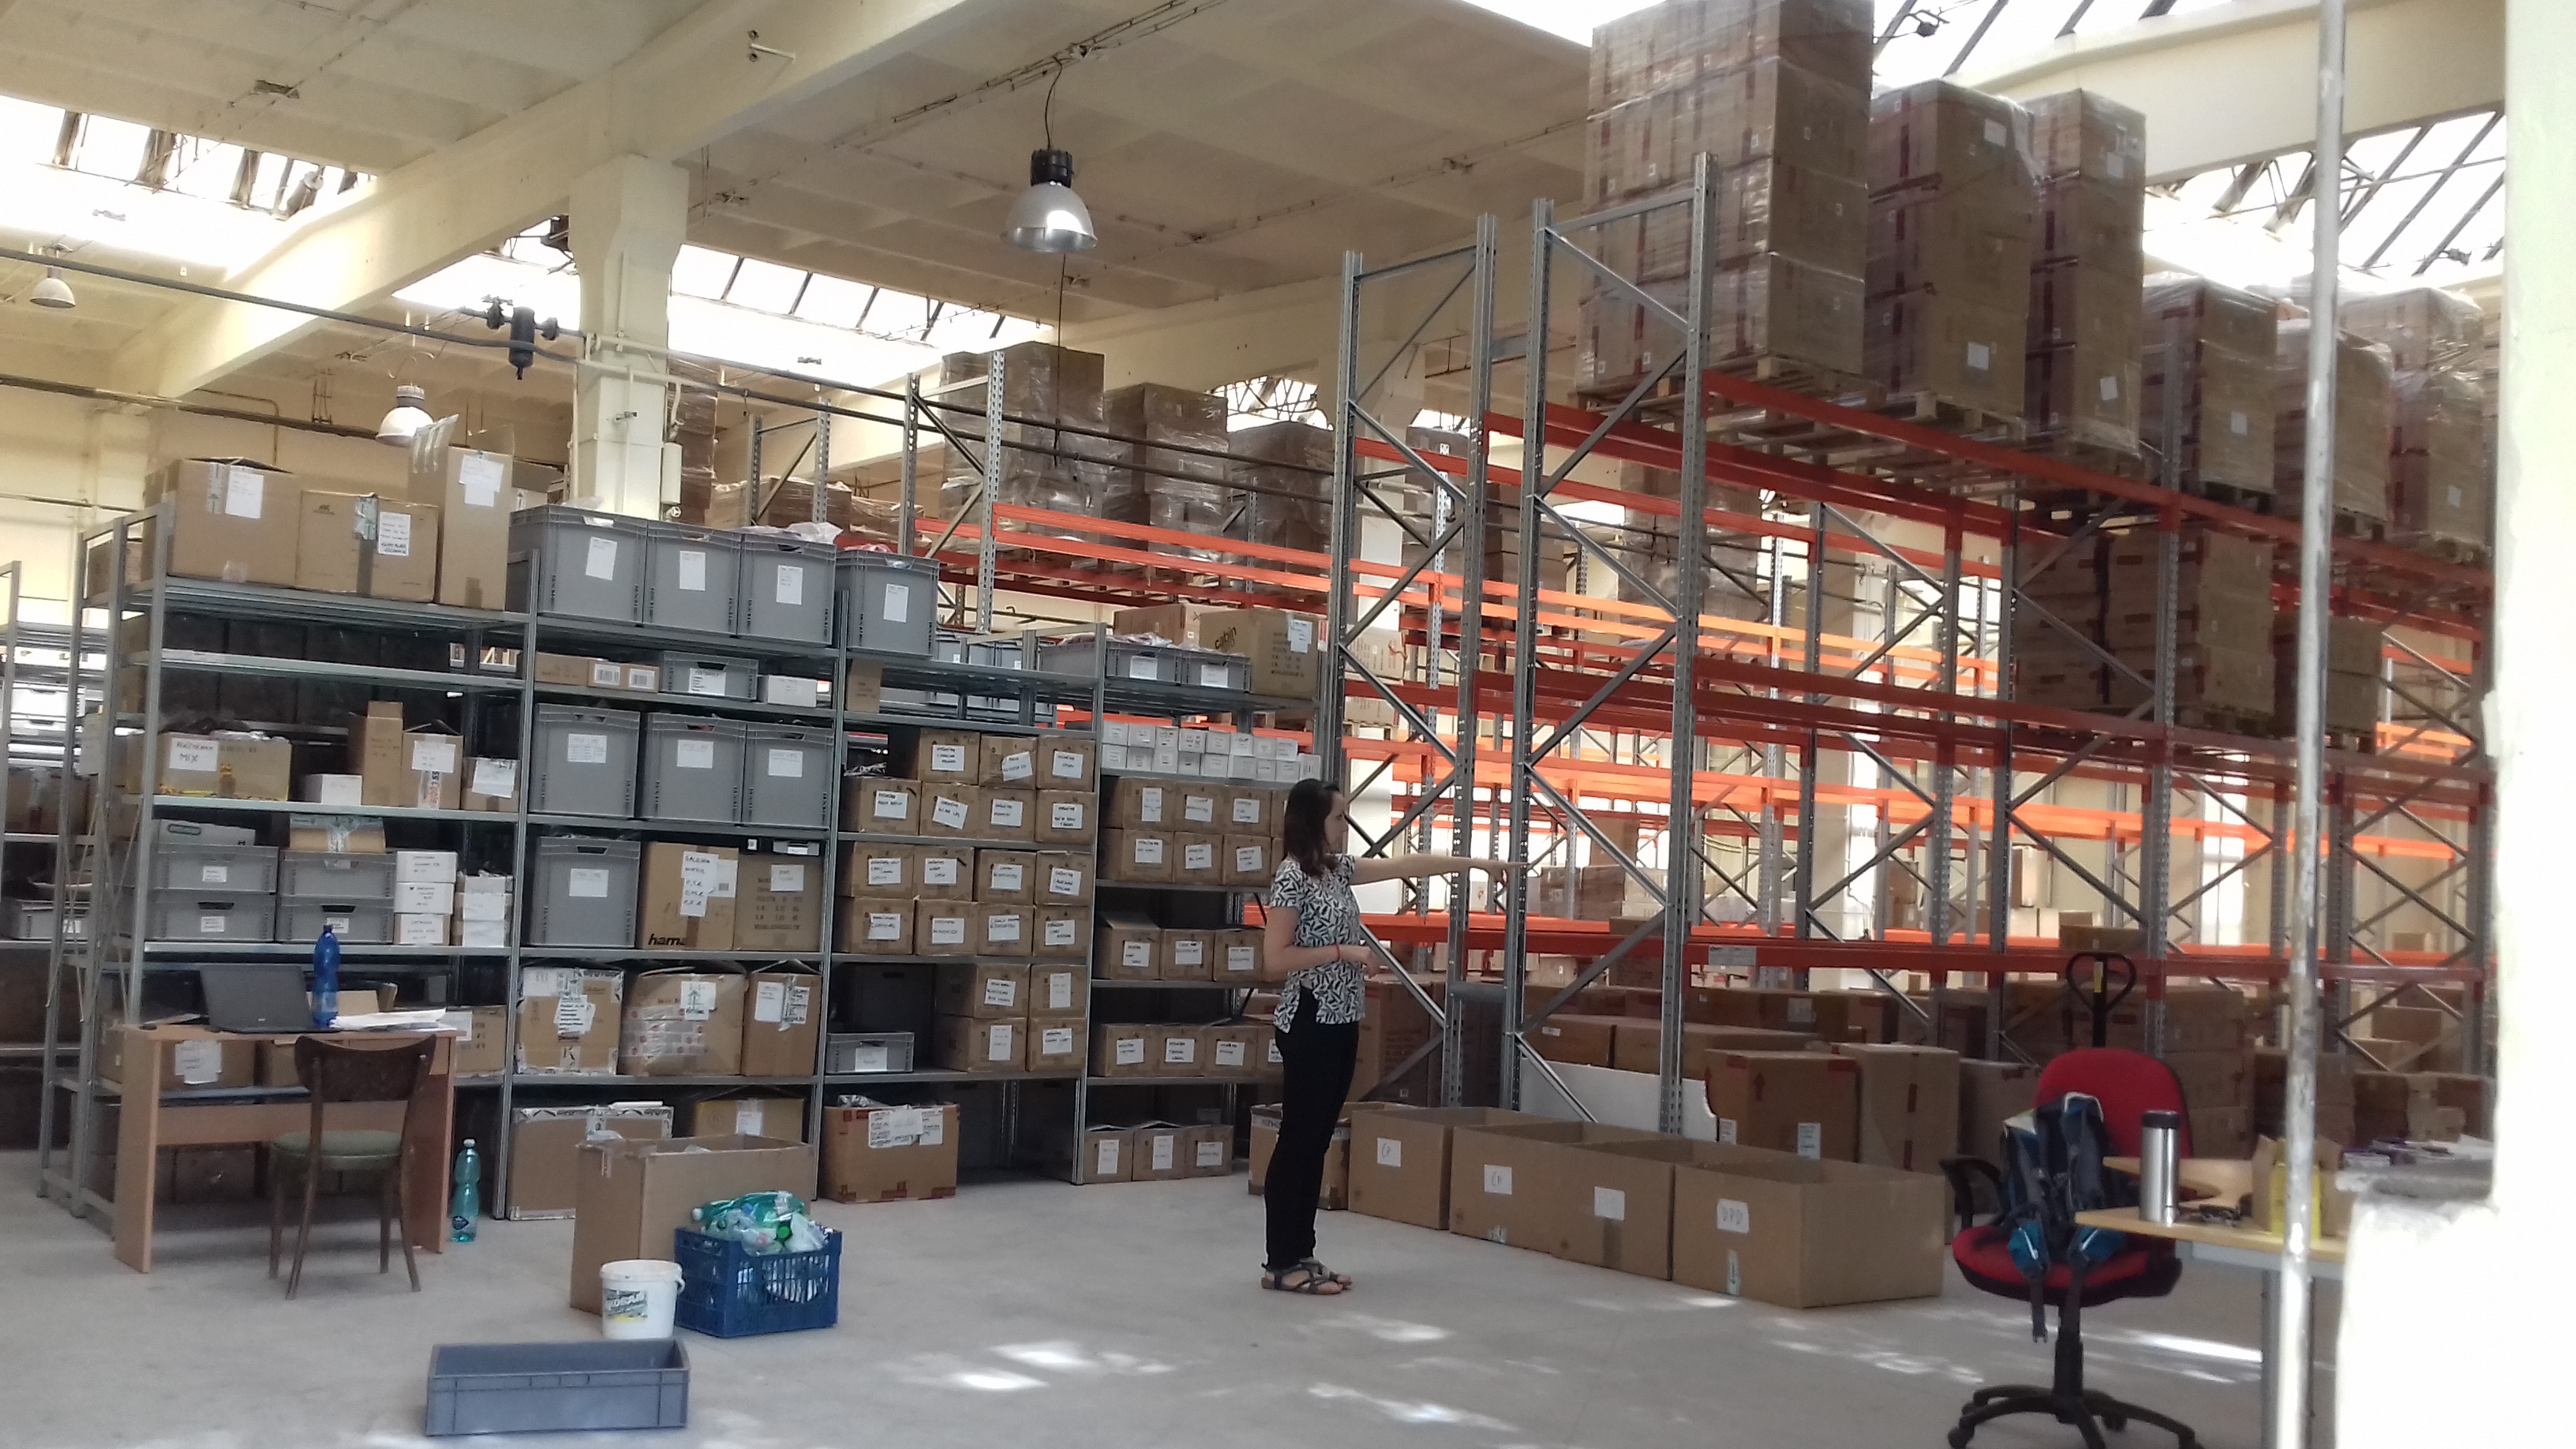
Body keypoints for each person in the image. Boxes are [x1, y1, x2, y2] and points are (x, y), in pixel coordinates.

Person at [1255, 777, 1515, 1295]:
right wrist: (1343, 953)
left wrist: (1475, 864)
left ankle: (1302, 1252)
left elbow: (1403, 866)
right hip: (1309, 1022)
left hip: (1342, 1020)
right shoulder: (1292, 877)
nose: (1344, 825)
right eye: (1337, 817)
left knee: (1318, 1139)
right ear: (1312, 821)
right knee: (1299, 1140)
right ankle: (1280, 1261)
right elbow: (1274, 959)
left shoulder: (1336, 870)